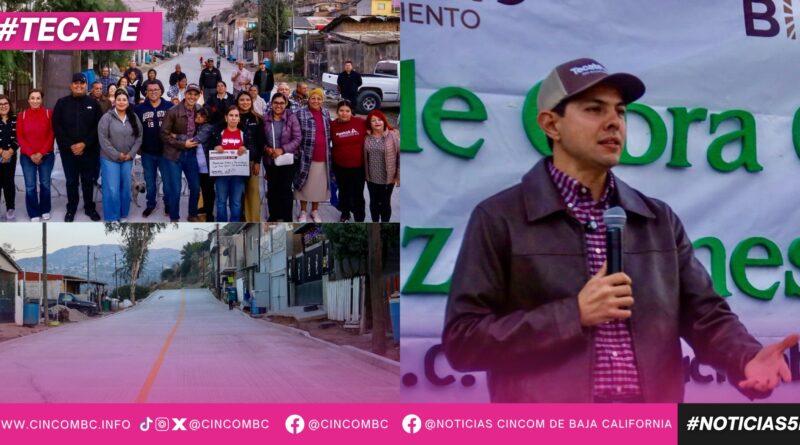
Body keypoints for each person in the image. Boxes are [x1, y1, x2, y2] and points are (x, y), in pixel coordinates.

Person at [441, 57, 799, 403]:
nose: (614, 122)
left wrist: (746, 357)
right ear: (551, 125)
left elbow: (706, 316)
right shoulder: (500, 217)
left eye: (621, 112)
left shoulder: (656, 219)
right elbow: (463, 342)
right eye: (595, 109)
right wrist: (573, 314)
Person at [52, 73, 103, 222]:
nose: (78, 86)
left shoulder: (93, 104)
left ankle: (89, 208)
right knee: (71, 181)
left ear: (86, 86)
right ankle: (71, 208)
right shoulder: (61, 103)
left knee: (88, 180)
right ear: (71, 85)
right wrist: (70, 145)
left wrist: (84, 144)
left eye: (82, 83)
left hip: (89, 151)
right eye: (76, 83)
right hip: (68, 152)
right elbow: (57, 126)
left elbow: (98, 127)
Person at [160, 83, 203, 222]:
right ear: (185, 94)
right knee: (176, 189)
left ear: (198, 96)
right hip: (173, 155)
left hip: (191, 155)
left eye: (195, 94)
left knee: (196, 187)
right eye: (190, 93)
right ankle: (174, 217)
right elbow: (163, 134)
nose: (192, 96)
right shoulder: (173, 111)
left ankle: (192, 214)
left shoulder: (199, 109)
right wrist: (182, 143)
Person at [98, 89, 142, 222]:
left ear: (128, 102)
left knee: (125, 187)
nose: (121, 102)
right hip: (109, 159)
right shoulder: (107, 117)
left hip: (128, 158)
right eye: (119, 100)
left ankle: (123, 214)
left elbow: (139, 137)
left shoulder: (133, 117)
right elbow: (103, 139)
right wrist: (117, 155)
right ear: (114, 101)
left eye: (124, 100)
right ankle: (112, 216)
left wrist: (131, 154)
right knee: (112, 188)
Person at [16, 89, 55, 222]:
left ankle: (45, 209)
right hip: (27, 156)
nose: (35, 101)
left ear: (41, 100)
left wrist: (41, 153)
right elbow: (20, 137)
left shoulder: (49, 113)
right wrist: (32, 154)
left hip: (46, 155)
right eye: (32, 98)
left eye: (38, 98)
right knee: (30, 185)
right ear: (28, 100)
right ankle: (33, 212)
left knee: (45, 183)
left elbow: (51, 135)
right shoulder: (22, 115)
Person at [135, 80, 173, 218]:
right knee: (150, 182)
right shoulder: (139, 109)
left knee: (168, 182)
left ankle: (168, 203)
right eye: (150, 90)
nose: (153, 92)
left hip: (165, 152)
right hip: (147, 152)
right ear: (146, 92)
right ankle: (151, 204)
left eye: (156, 89)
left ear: (161, 90)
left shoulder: (169, 106)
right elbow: (135, 129)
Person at [293, 88, 332, 223]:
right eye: (313, 98)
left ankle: (315, 211)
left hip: (323, 156)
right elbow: (295, 134)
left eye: (319, 98)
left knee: (319, 187)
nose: (316, 101)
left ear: (322, 100)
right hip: (306, 156)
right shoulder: (300, 113)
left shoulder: (326, 113)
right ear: (308, 99)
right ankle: (303, 212)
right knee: (305, 185)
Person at [263, 92, 301, 222]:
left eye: (281, 103)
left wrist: (282, 149)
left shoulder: (292, 118)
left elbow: (297, 139)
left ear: (286, 104)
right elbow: (260, 139)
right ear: (271, 104)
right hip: (270, 160)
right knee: (272, 189)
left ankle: (286, 217)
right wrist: (266, 149)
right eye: (275, 103)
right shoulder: (265, 118)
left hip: (288, 160)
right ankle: (274, 215)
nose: (278, 105)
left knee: (285, 188)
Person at [330, 100, 367, 222]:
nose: (344, 113)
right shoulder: (333, 125)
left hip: (358, 167)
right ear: (337, 112)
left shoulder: (360, 122)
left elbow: (378, 126)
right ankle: (345, 214)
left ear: (352, 112)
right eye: (341, 111)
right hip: (340, 166)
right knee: (343, 192)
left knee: (358, 194)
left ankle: (359, 217)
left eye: (347, 111)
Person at [212, 106, 248, 222]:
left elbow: (253, 148)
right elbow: (209, 146)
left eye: (236, 116)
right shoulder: (218, 133)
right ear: (226, 118)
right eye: (231, 115)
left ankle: (235, 224)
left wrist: (245, 147)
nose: (233, 118)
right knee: (221, 201)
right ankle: (221, 222)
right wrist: (215, 146)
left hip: (238, 175)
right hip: (221, 174)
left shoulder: (244, 133)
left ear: (239, 119)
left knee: (236, 202)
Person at [363, 110, 399, 222]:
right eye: (373, 120)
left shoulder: (392, 136)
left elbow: (399, 157)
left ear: (384, 121)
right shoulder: (366, 137)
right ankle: (375, 222)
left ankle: (384, 223)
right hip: (371, 178)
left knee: (385, 202)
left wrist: (398, 175)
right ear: (369, 123)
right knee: (373, 202)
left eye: (379, 119)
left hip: (388, 178)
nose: (377, 122)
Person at [235, 91, 264, 222]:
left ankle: (252, 219)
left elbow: (260, 142)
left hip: (252, 161)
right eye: (242, 100)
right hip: (234, 162)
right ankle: (240, 216)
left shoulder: (257, 119)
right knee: (237, 192)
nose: (245, 102)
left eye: (247, 100)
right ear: (237, 102)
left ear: (251, 102)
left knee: (252, 191)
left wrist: (258, 161)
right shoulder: (232, 116)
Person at [0, 95, 18, 221]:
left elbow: (20, 137)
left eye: (5, 103)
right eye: (0, 104)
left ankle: (10, 209)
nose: (3, 106)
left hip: (11, 155)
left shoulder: (16, 119)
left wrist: (10, 151)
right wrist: (2, 152)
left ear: (9, 105)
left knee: (9, 183)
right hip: (0, 154)